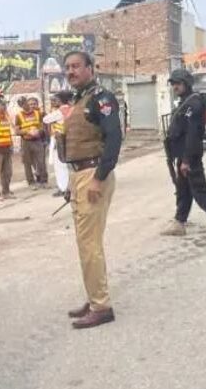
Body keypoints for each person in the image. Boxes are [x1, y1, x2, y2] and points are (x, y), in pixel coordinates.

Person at [58, 51, 122, 329]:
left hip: (93, 174)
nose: (70, 71)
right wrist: (72, 184)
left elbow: (114, 138)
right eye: (67, 67)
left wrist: (98, 178)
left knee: (89, 244)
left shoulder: (101, 98)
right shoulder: (78, 99)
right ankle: (94, 296)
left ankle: (101, 306)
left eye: (76, 66)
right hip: (79, 175)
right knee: (86, 243)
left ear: (90, 69)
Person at [160, 68, 206, 238]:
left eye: (178, 83)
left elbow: (193, 134)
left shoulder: (194, 103)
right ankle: (179, 222)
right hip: (182, 155)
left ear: (186, 83)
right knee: (183, 191)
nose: (175, 87)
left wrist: (187, 160)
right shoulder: (184, 102)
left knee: (199, 190)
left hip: (190, 156)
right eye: (173, 84)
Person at [15, 96, 49, 190]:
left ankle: (44, 181)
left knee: (41, 161)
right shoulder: (18, 116)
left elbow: (43, 127)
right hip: (26, 141)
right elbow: (17, 131)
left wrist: (38, 131)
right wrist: (27, 132)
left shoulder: (38, 113)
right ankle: (31, 182)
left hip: (37, 140)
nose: (24, 105)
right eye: (21, 104)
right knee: (27, 163)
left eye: (25, 103)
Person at [44, 91, 73, 197]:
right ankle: (68, 187)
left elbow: (46, 119)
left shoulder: (61, 110)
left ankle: (63, 188)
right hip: (68, 138)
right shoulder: (71, 108)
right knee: (67, 165)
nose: (54, 102)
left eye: (56, 100)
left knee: (60, 165)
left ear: (61, 100)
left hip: (60, 139)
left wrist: (51, 110)